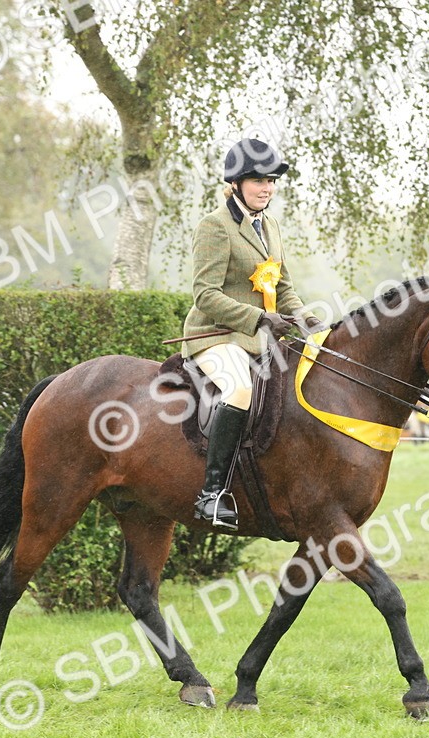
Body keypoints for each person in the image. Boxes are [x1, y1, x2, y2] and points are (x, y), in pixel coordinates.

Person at [181, 138, 321, 529]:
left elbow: (283, 286)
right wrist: (258, 318)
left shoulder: (269, 226)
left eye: (271, 181)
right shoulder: (215, 226)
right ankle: (211, 495)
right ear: (236, 183)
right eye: (259, 180)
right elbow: (205, 295)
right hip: (215, 336)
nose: (267, 188)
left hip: (261, 340)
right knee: (240, 390)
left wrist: (308, 318)